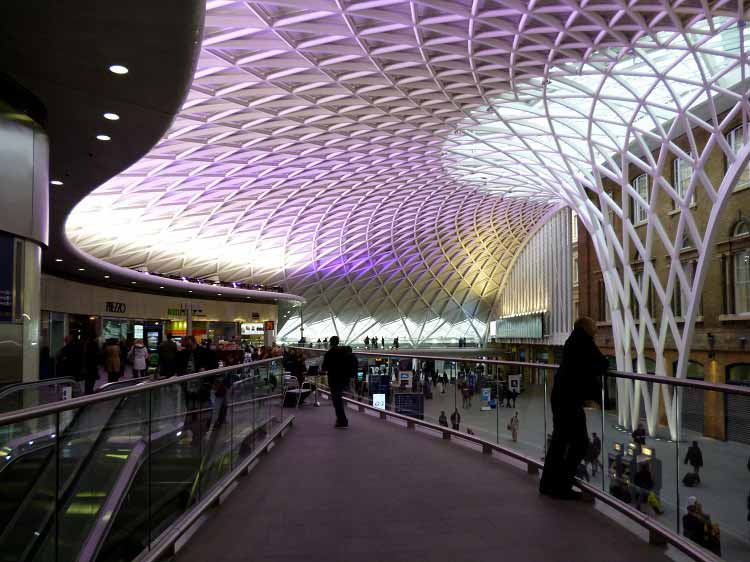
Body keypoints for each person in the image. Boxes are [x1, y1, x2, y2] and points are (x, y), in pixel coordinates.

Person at [539, 317, 608, 500]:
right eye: (594, 325)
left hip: (561, 396)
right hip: (569, 399)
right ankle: (563, 486)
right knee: (579, 443)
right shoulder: (584, 340)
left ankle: (547, 485)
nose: (597, 328)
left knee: (559, 441)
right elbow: (603, 364)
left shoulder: (573, 340)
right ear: (586, 327)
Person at [321, 336, 356, 428]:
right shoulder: (345, 352)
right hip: (344, 379)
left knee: (337, 400)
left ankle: (342, 420)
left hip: (334, 379)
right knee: (339, 399)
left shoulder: (329, 353)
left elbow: (324, 367)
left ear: (330, 343)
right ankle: (341, 420)